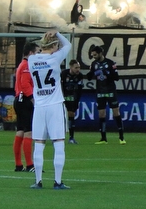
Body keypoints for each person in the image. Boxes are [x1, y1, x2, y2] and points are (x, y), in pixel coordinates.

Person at [28, 30, 73, 190]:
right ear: (54, 45)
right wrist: (58, 33)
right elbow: (68, 44)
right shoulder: (55, 58)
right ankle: (58, 182)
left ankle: (38, 181)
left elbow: (41, 54)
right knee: (58, 143)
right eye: (56, 45)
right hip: (54, 106)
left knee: (39, 144)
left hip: (39, 108)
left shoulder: (32, 60)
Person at [87, 45, 126, 144]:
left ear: (100, 53)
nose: (94, 56)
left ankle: (121, 137)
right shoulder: (94, 64)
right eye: (93, 55)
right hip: (100, 91)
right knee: (101, 114)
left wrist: (107, 72)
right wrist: (92, 73)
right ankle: (103, 138)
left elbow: (116, 77)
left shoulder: (110, 63)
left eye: (95, 54)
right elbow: (89, 77)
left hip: (110, 91)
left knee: (116, 112)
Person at [13, 42, 39, 172]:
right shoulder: (26, 66)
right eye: (36, 52)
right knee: (29, 131)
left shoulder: (22, 65)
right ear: (31, 53)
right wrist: (32, 99)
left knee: (21, 130)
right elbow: (25, 84)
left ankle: (19, 165)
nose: (38, 55)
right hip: (24, 99)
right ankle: (29, 165)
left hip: (19, 99)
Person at [62, 60, 84, 144]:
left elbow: (80, 90)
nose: (78, 69)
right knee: (60, 118)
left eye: (79, 67)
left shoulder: (80, 76)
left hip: (72, 98)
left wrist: (77, 101)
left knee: (71, 115)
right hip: (62, 98)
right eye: (76, 68)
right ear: (70, 67)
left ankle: (71, 138)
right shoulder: (64, 74)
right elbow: (60, 86)